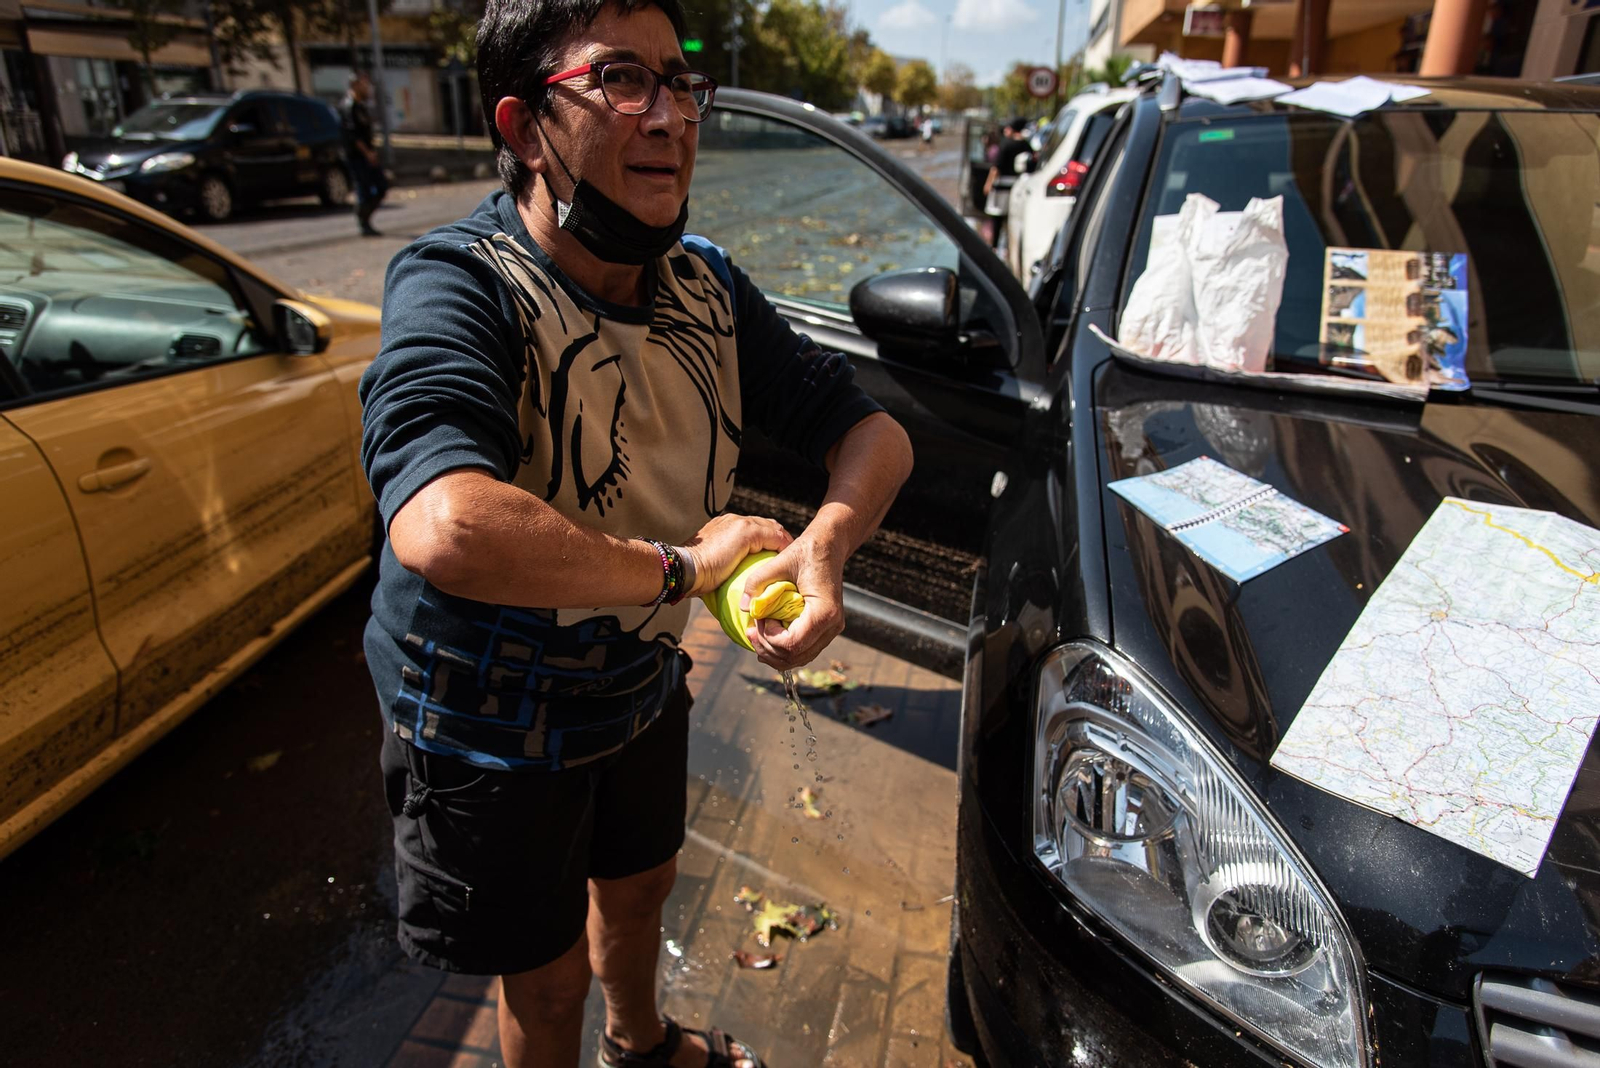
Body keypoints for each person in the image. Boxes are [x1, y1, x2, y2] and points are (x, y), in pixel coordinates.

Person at [356, 1, 914, 1066]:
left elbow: (872, 433)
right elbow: (444, 523)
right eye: (621, 79)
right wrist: (687, 568)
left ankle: (641, 1044)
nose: (669, 116)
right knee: (546, 978)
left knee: (645, 883)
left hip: (636, 673)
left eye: (681, 81)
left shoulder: (704, 284)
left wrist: (828, 546)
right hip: (484, 708)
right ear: (524, 127)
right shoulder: (460, 283)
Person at [341, 70, 388, 236]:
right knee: (364, 190)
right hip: (357, 157)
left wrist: (372, 152)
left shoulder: (361, 106)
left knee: (381, 187)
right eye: (364, 84)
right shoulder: (349, 106)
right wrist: (367, 153)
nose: (367, 87)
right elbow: (353, 135)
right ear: (355, 85)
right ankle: (363, 222)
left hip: (368, 155)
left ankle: (365, 219)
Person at [982, 116, 1029, 250]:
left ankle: (995, 247)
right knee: (1013, 219)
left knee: (997, 217)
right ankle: (1010, 247)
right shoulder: (1026, 145)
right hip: (1019, 185)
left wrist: (988, 183)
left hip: (1002, 186)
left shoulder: (1006, 144)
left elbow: (996, 167)